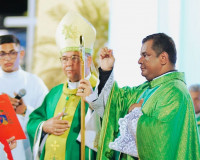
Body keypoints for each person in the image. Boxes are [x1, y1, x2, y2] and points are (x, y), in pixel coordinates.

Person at [81, 33, 200, 159]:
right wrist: (106, 71)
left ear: (163, 58)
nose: (139, 60)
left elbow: (160, 141)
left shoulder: (175, 92)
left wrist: (135, 113)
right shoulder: (148, 88)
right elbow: (115, 103)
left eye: (145, 55)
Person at [27, 11, 99, 160]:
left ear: (89, 60)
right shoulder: (55, 93)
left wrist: (93, 102)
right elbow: (33, 121)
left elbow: (112, 125)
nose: (69, 64)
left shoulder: (101, 90)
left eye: (75, 57)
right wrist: (44, 126)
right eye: (64, 59)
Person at [0, 34, 49, 160]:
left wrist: (25, 111)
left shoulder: (35, 83)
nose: (7, 58)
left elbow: (47, 117)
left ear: (21, 54)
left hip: (25, 149)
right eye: (2, 53)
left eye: (12, 53)